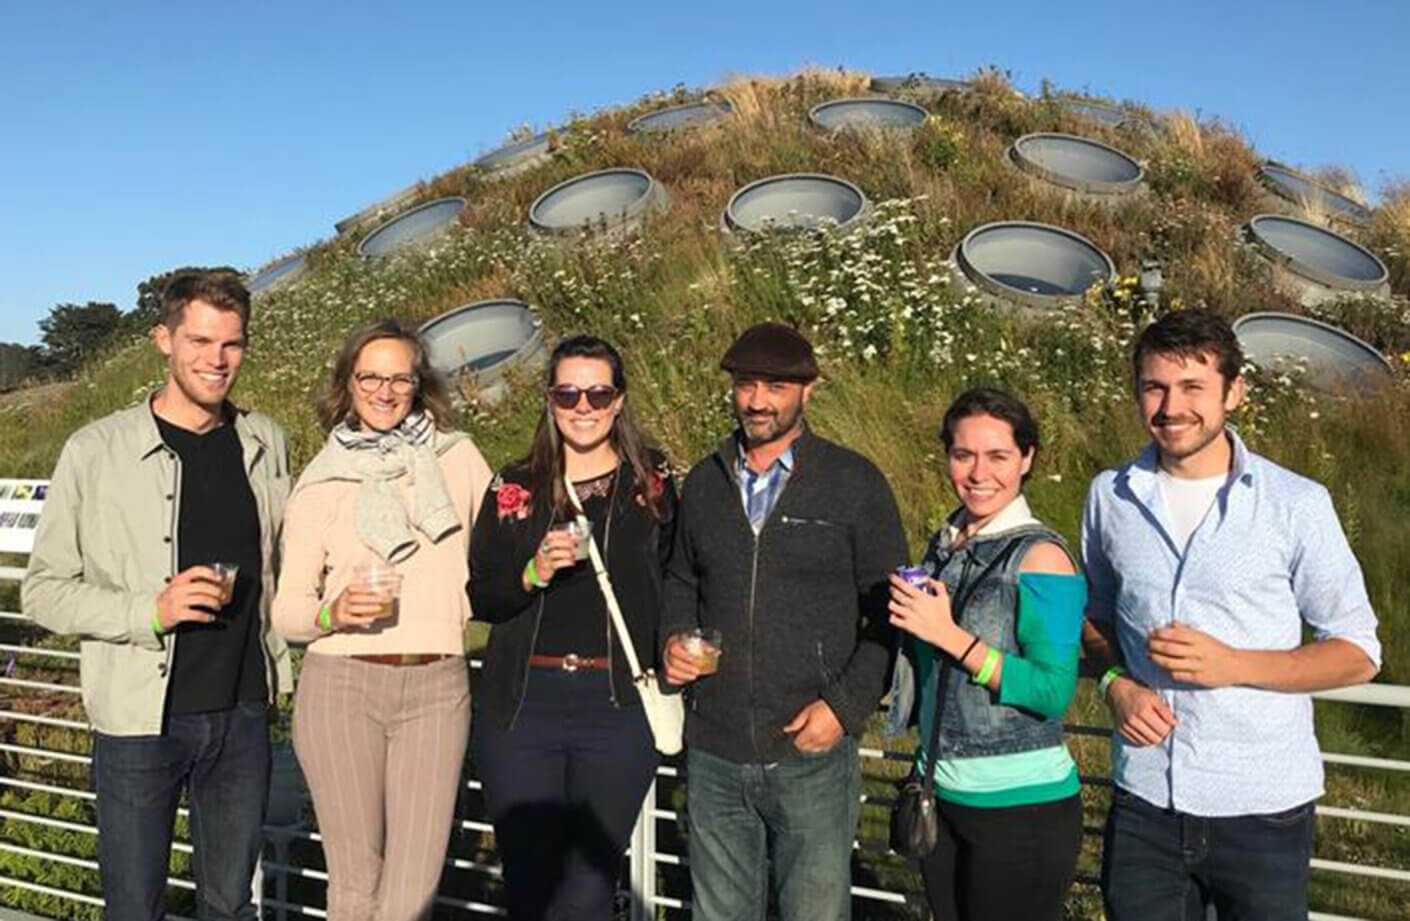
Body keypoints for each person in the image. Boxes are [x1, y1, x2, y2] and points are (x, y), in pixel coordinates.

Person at [1082, 308, 1381, 921]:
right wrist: (1115, 684)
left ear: (1234, 392)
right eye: (1155, 387)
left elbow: (1357, 653)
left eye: (1193, 387)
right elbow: (1094, 616)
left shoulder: (1296, 504)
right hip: (1145, 802)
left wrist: (1234, 664)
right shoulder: (1109, 497)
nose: (1172, 407)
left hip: (1263, 809)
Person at [22, 271, 292, 921]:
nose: (217, 359)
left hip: (243, 714)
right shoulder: (95, 450)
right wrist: (148, 611)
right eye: (199, 340)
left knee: (230, 905)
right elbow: (42, 592)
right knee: (134, 908)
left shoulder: (267, 441)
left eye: (232, 343)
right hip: (139, 724)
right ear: (163, 340)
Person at [661, 322, 907, 921]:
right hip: (715, 749)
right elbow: (681, 580)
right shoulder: (705, 482)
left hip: (810, 753)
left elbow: (891, 611)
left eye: (776, 387)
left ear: (808, 390)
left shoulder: (854, 482)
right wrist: (672, 639)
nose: (757, 401)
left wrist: (843, 709)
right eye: (746, 385)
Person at [272, 318, 493, 921]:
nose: (385, 391)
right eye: (370, 377)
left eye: (400, 378)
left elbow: (503, 553)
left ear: (420, 385)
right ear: (347, 383)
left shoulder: (459, 459)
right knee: (355, 886)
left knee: (413, 892)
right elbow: (287, 611)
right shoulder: (321, 480)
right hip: (341, 687)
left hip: (437, 687)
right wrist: (332, 611)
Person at [468, 335, 677, 921]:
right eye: (567, 394)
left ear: (619, 400)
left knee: (587, 890)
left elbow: (676, 579)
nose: (583, 407)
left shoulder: (652, 482)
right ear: (549, 399)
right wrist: (532, 572)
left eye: (598, 394)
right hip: (523, 706)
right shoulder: (513, 487)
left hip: (616, 707)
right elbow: (482, 594)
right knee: (530, 888)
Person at [886, 387, 1085, 921]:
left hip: (1021, 808)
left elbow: (1052, 691)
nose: (979, 473)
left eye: (998, 456)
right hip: (941, 790)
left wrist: (949, 636)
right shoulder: (946, 544)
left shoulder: (1042, 556)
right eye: (963, 454)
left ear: (1027, 458)